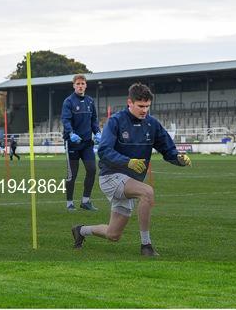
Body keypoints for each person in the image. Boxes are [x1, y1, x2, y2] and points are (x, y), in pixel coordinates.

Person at [71, 83, 191, 256]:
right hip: (110, 177)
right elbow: (104, 151)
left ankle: (80, 230)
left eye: (147, 106)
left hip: (130, 182)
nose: (144, 110)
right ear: (130, 102)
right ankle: (146, 246)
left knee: (113, 235)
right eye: (140, 106)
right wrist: (128, 162)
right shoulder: (116, 121)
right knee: (147, 192)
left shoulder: (152, 124)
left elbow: (168, 150)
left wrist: (179, 159)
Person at [61, 74, 101, 211]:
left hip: (86, 144)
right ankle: (69, 203)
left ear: (86, 85)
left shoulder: (90, 101)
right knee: (72, 174)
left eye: (82, 83)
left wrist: (98, 132)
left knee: (92, 170)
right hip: (72, 143)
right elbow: (65, 120)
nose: (80, 86)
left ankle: (85, 201)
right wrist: (71, 133)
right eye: (77, 84)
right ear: (74, 86)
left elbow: (94, 120)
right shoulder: (68, 101)